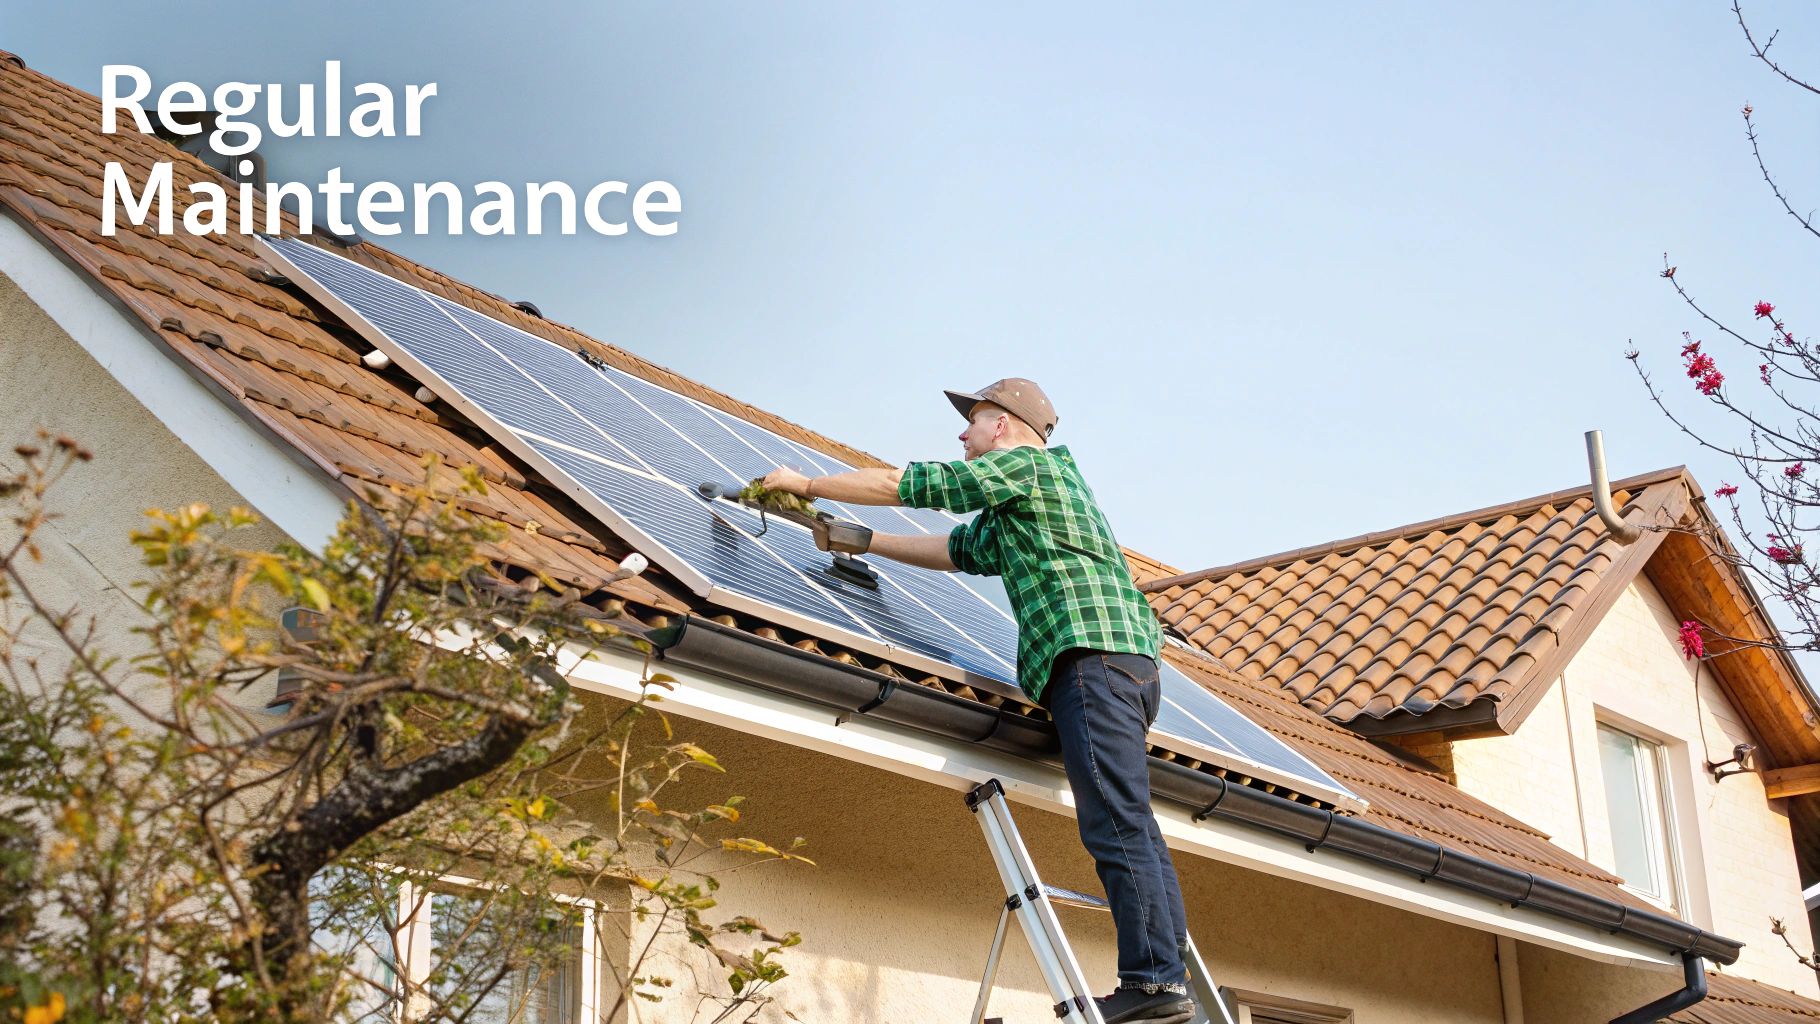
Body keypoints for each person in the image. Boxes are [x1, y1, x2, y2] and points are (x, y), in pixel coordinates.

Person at [761, 378, 1195, 1024]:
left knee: (1114, 821)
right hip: (1120, 664)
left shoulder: (1028, 468)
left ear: (1004, 427)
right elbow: (955, 549)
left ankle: (1154, 986)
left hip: (1092, 660)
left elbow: (909, 485)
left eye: (974, 420)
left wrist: (806, 484)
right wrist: (866, 542)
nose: (963, 433)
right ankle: (1166, 980)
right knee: (1132, 822)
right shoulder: (1024, 504)